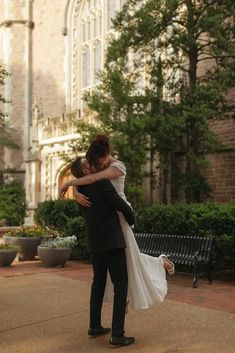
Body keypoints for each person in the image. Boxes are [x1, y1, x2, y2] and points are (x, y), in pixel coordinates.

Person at [59, 134, 174, 310]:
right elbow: (87, 177)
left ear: (106, 156)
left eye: (98, 161)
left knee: (129, 257)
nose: (97, 165)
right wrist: (75, 190)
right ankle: (124, 297)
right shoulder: (100, 168)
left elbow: (92, 179)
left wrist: (69, 184)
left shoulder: (118, 167)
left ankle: (159, 264)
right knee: (125, 258)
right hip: (110, 216)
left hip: (121, 214)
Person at [70, 157, 135, 347]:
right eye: (88, 163)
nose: (91, 163)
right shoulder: (102, 184)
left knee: (98, 283)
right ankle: (117, 335)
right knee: (121, 285)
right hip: (112, 242)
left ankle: (94, 325)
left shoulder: (80, 190)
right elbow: (120, 205)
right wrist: (131, 220)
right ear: (86, 171)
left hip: (94, 243)